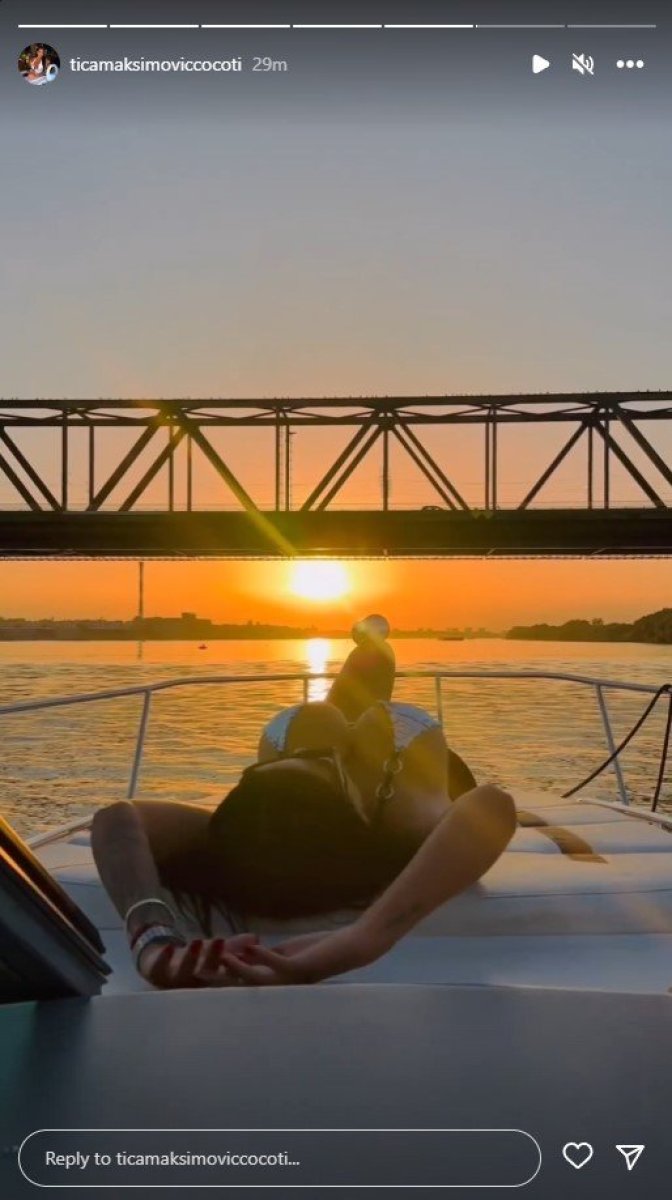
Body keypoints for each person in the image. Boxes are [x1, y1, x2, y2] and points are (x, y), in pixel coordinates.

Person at [91, 615, 515, 989]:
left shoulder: (230, 838)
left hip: (307, 784)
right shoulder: (404, 823)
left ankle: (370, 645)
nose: (323, 760)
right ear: (348, 810)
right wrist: (362, 939)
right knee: (375, 718)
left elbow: (116, 817)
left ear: (239, 797)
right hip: (409, 770)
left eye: (255, 780)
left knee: (316, 719)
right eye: (319, 771)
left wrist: (152, 942)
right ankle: (372, 643)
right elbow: (492, 806)